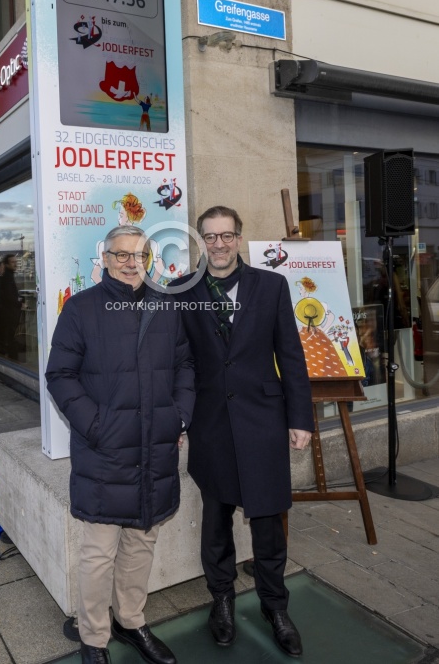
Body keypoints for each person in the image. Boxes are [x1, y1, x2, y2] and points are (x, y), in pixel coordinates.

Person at [46, 225, 195, 664]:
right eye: (122, 255)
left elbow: (185, 363)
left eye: (140, 255)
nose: (132, 263)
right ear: (106, 258)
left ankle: (131, 621)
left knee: (141, 543)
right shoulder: (81, 308)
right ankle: (94, 638)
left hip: (156, 450)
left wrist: (180, 415)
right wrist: (97, 426)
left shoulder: (166, 305)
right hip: (106, 453)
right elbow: (60, 375)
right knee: (98, 553)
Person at [171, 206, 314, 658]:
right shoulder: (182, 291)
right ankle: (223, 602)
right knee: (216, 523)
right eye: (209, 237)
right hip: (210, 424)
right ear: (201, 241)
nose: (218, 244)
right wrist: (177, 417)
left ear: (239, 237)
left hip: (263, 422)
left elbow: (290, 355)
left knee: (268, 524)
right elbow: (178, 363)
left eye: (226, 236)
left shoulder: (271, 286)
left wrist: (300, 419)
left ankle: (276, 608)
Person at [0, 254, 25, 359]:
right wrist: (20, 304)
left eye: (16, 261)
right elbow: (8, 296)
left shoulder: (9, 276)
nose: (16, 264)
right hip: (9, 313)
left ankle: (12, 356)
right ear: (6, 264)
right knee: (11, 336)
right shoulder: (7, 278)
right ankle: (13, 357)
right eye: (12, 262)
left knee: (11, 336)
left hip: (10, 312)